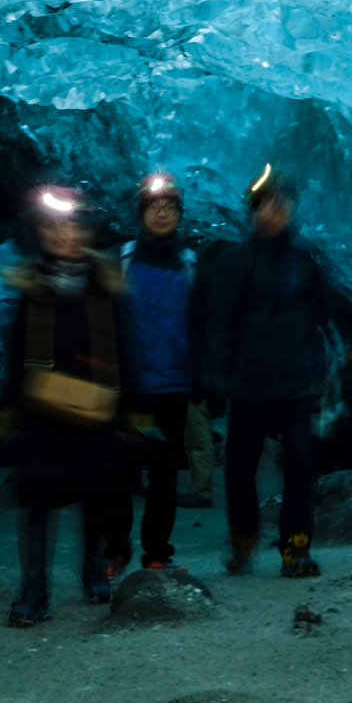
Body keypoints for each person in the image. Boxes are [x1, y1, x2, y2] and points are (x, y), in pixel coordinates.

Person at [0, 185, 134, 626]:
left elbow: (126, 346)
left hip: (95, 405)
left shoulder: (105, 285)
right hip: (43, 407)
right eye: (53, 228)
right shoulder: (32, 287)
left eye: (72, 227)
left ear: (86, 233)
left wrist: (132, 405)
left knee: (93, 491)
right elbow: (16, 349)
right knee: (37, 494)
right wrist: (8, 407)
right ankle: (34, 585)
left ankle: (92, 565)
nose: (63, 236)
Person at [207, 165, 338, 578]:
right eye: (264, 205)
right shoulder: (235, 262)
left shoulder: (306, 263)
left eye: (279, 203)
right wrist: (220, 372)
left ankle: (295, 547)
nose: (272, 211)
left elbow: (329, 314)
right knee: (241, 466)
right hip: (250, 383)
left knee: (301, 463)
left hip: (297, 383)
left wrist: (341, 364)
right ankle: (243, 539)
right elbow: (220, 319)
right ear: (253, 212)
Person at [116, 172, 209, 569]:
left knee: (165, 476)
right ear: (141, 213)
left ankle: (156, 553)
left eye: (170, 207)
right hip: (128, 384)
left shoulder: (190, 264)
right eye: (154, 206)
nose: (162, 213)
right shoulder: (119, 260)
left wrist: (203, 377)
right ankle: (116, 549)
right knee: (118, 474)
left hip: (172, 383)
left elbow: (203, 322)